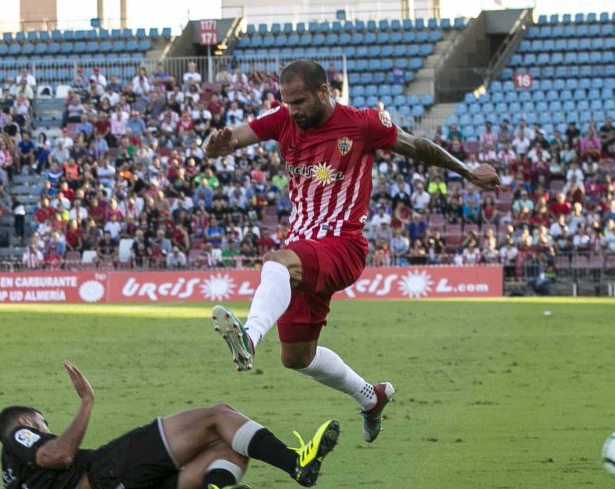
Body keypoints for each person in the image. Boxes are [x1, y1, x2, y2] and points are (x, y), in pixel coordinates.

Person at [202, 60, 499, 443]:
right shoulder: (283, 120)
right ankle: (369, 398)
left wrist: (467, 170)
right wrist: (211, 149)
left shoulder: (362, 124)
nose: (293, 110)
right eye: (287, 102)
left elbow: (418, 146)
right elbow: (231, 140)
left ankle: (250, 336)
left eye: (300, 101)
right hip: (304, 249)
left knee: (275, 262)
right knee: (297, 358)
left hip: (343, 245)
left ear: (325, 92)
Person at [0, 361, 341, 489]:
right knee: (218, 415)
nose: (45, 427)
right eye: (42, 423)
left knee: (231, 443)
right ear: (26, 423)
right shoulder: (16, 435)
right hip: (108, 473)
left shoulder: (17, 488)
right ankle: (296, 463)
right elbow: (60, 455)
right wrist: (86, 402)